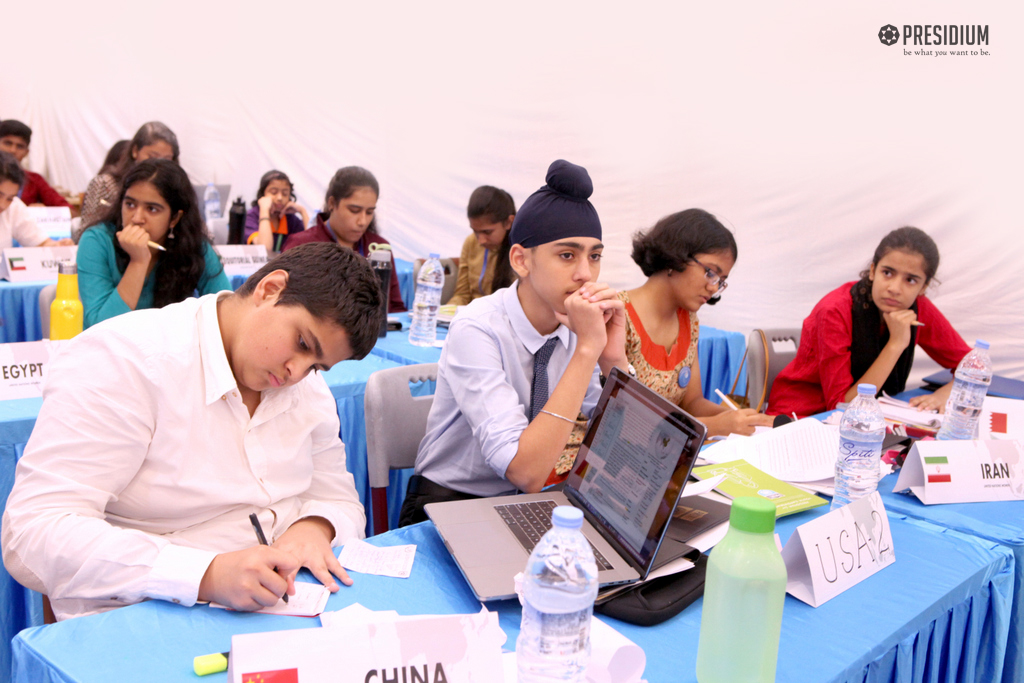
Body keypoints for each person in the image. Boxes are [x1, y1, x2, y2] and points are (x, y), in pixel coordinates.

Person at [2, 242, 385, 620]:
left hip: (281, 606)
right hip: (147, 613)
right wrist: (203, 574)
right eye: (301, 343)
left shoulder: (306, 388)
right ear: (270, 290)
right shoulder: (125, 361)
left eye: (316, 366)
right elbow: (33, 532)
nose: (296, 373)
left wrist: (315, 527)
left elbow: (342, 502)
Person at [399, 159, 628, 526]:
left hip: (529, 504)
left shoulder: (575, 326)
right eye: (567, 255)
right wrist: (588, 351)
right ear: (521, 260)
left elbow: (633, 446)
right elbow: (524, 471)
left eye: (595, 256)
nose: (585, 274)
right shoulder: (477, 328)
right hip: (449, 505)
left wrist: (613, 361)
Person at [768, 226, 970, 417]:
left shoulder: (918, 307)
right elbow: (842, 406)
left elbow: (974, 366)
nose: (894, 288)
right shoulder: (834, 311)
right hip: (800, 416)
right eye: (887, 273)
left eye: (910, 280)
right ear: (873, 271)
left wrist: (944, 394)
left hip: (871, 416)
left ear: (923, 287)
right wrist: (896, 344)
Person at [622, 209, 774, 437]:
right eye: (711, 273)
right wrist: (717, 426)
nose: (713, 288)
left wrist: (744, 420)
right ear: (675, 255)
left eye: (721, 281)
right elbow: (623, 420)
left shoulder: (688, 321)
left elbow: (692, 403)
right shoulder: (617, 316)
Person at [76, 159, 230, 328]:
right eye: (130, 204)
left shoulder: (193, 245)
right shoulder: (96, 241)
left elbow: (228, 311)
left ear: (174, 218)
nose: (136, 218)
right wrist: (138, 262)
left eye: (152, 209)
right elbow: (100, 327)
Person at [282, 166, 405, 312]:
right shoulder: (302, 245)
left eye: (369, 212)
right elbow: (283, 305)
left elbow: (395, 308)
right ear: (332, 204)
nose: (362, 221)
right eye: (354, 210)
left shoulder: (379, 247)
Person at [78, 122, 179, 236]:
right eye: (152, 157)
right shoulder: (106, 184)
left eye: (166, 159)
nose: (159, 164)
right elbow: (85, 231)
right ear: (135, 151)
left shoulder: (176, 190)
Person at [447, 185, 517, 306]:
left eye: (487, 232)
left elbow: (519, 304)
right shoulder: (471, 242)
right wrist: (445, 311)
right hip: (472, 313)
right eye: (475, 231)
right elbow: (462, 295)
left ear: (508, 222)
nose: (481, 240)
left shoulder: (522, 250)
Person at [0, 152, 74, 248]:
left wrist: (57, 245)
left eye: (10, 198)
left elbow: (41, 243)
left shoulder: (14, 207)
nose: (3, 204)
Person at [0, 119, 70, 207]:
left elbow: (68, 210)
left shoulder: (34, 180)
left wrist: (41, 211)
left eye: (20, 146)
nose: (13, 150)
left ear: (26, 152)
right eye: (7, 143)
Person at [245, 170, 309, 253]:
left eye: (285, 194)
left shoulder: (291, 219)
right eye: (273, 192)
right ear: (262, 194)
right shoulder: (251, 216)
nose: (280, 198)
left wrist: (303, 212)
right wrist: (264, 210)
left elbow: (314, 246)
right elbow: (264, 249)